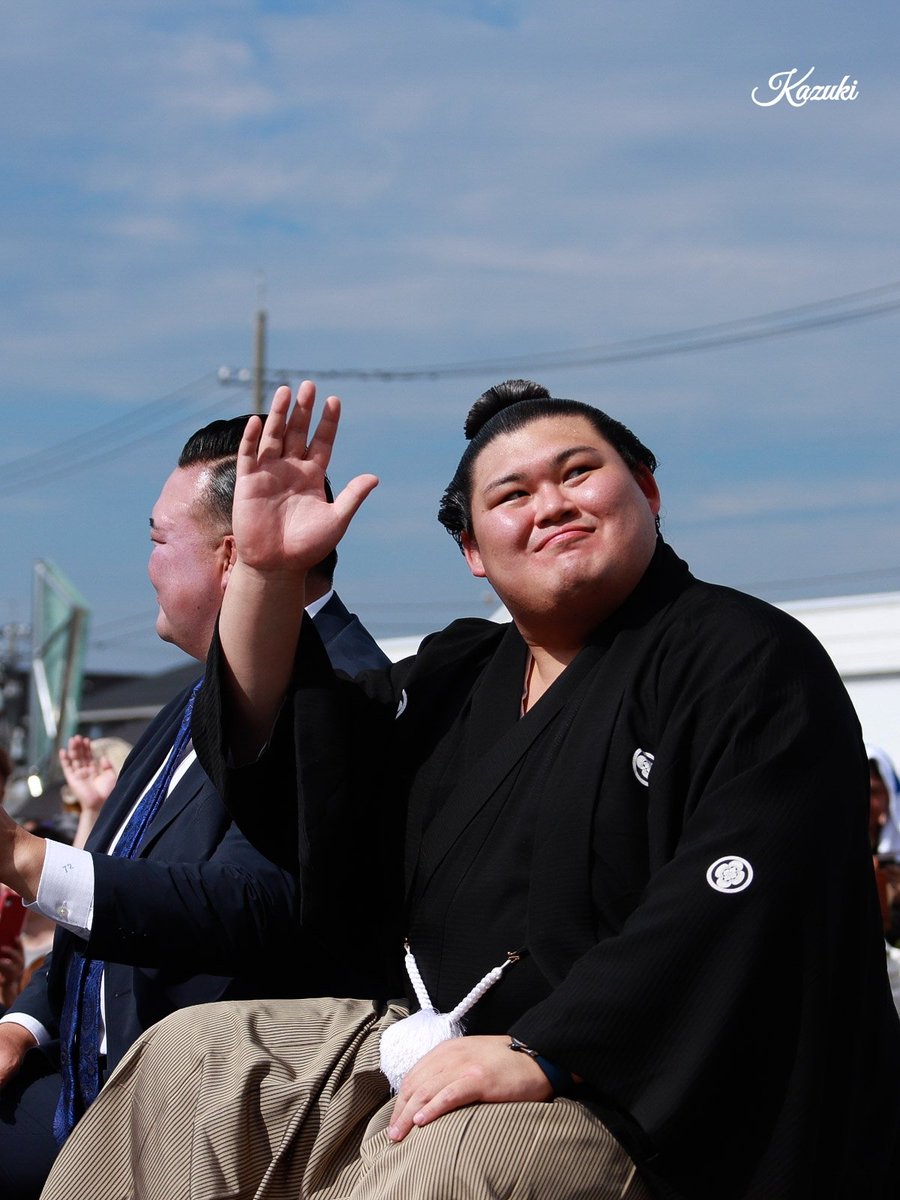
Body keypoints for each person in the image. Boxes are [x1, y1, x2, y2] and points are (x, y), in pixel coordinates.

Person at [40, 381, 900, 1200]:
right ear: (473, 553)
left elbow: (743, 893)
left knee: (455, 1162)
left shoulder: (745, 656)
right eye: (511, 495)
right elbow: (311, 787)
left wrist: (546, 1049)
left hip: (626, 1090)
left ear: (646, 490)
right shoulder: (458, 676)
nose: (552, 504)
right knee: (192, 1059)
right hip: (431, 1045)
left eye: (578, 473)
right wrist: (265, 576)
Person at [0, 413, 389, 1200]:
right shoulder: (188, 702)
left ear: (234, 550)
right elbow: (99, 902)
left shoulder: (342, 690)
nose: (142, 568)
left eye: (154, 540)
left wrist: (22, 856)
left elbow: (264, 903)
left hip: (188, 1128)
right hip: (78, 1087)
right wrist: (24, 1022)